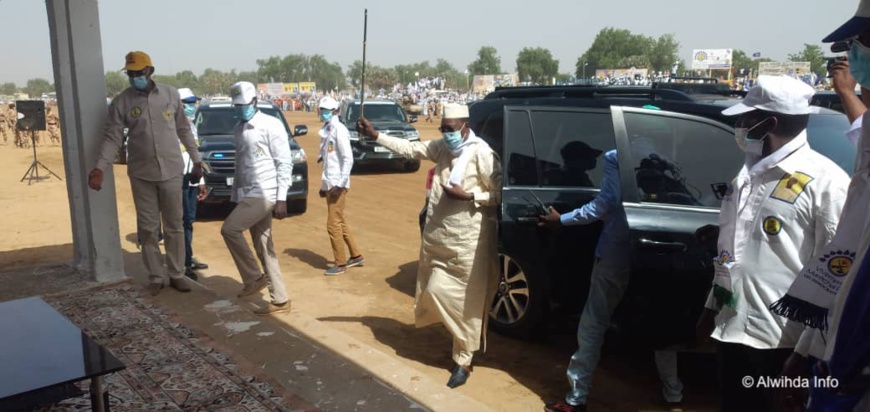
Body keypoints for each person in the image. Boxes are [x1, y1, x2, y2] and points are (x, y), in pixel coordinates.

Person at [693, 75, 850, 412]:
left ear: (770, 122)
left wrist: (803, 353)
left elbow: (834, 279)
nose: (740, 125)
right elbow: (732, 253)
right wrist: (712, 307)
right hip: (733, 330)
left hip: (782, 344)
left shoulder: (827, 184)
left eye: (746, 118)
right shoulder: (748, 175)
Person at [539, 107, 684, 412]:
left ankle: (576, 398)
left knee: (593, 324)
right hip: (656, 252)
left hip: (616, 251)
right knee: (660, 324)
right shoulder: (667, 160)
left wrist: (561, 219)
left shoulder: (616, 157)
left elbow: (603, 204)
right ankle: (674, 393)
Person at [356, 103, 501, 389]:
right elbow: (412, 149)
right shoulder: (442, 149)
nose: (445, 134)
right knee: (435, 290)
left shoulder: (482, 153)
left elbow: (499, 193)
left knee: (467, 305)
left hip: (469, 242)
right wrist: (376, 136)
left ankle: (464, 359)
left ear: (465, 128)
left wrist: (470, 196)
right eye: (443, 129)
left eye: (450, 130)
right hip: (439, 240)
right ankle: (460, 344)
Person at [771, 4, 870, 410]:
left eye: (859, 44)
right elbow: (843, 266)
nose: (852, 55)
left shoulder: (820, 176)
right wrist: (809, 351)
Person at [89, 51, 202, 296]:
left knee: (175, 226)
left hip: (172, 170)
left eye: (138, 73)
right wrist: (100, 167)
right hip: (142, 173)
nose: (134, 77)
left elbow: (184, 129)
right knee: (148, 229)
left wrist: (196, 160)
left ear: (150, 71)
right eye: (130, 74)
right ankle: (156, 276)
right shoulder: (122, 102)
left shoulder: (170, 94)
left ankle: (176, 274)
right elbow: (112, 137)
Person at [221, 81, 293, 316]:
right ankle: (280, 299)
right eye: (236, 105)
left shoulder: (270, 125)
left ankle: (253, 277)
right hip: (249, 192)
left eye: (243, 104)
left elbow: (284, 162)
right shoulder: (239, 128)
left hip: (265, 193)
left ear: (254, 102)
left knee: (229, 229)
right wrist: (237, 195)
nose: (240, 108)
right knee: (264, 246)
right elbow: (241, 167)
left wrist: (281, 198)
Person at [317, 96, 363, 276]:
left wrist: (341, 184)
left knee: (332, 224)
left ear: (336, 111)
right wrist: (324, 185)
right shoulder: (328, 129)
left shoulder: (339, 130)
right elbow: (329, 161)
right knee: (339, 220)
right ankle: (356, 255)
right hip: (330, 182)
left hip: (337, 185)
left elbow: (347, 159)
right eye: (322, 109)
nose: (324, 113)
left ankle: (340, 263)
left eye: (327, 110)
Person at [178, 87, 208, 280]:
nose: (192, 107)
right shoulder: (172, 127)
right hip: (177, 180)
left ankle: (187, 259)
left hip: (191, 180)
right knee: (179, 223)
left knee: (188, 221)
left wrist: (201, 181)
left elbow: (195, 156)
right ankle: (182, 263)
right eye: (188, 103)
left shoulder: (192, 126)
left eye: (193, 103)